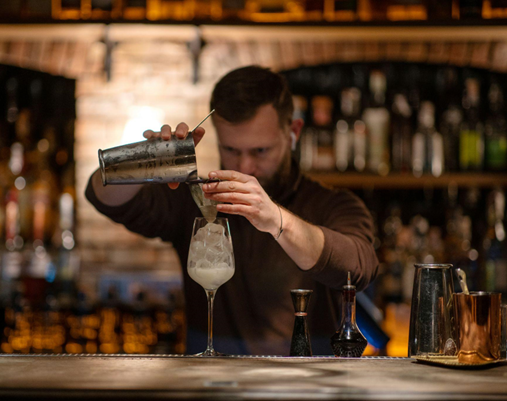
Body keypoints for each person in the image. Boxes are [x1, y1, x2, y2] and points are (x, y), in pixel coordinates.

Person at [86, 65, 379, 355]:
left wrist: (276, 219)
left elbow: (358, 268)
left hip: (304, 389)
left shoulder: (333, 204)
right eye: (231, 150)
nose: (245, 166)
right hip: (209, 387)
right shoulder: (196, 198)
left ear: (293, 132)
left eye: (260, 151)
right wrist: (147, 158)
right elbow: (102, 195)